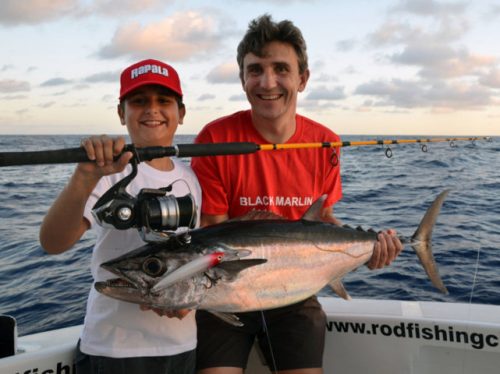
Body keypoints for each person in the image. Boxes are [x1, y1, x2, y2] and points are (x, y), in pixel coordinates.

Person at [191, 15, 403, 374]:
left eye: (281, 69)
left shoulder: (326, 142)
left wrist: (365, 251)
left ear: (302, 79)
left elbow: (322, 221)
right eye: (255, 70)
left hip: (296, 289)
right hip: (224, 295)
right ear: (242, 79)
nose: (267, 82)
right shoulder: (214, 140)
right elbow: (214, 232)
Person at [39, 59, 201, 374]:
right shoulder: (108, 172)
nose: (152, 110)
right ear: (120, 113)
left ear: (181, 113)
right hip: (113, 347)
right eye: (139, 101)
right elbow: (53, 243)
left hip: (181, 343)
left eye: (163, 101)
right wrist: (83, 178)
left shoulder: (191, 177)